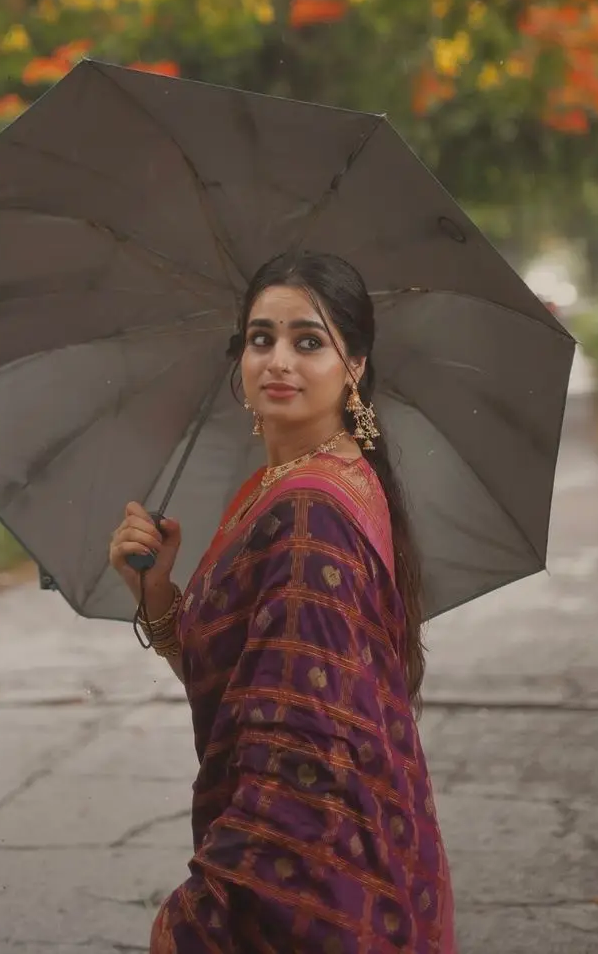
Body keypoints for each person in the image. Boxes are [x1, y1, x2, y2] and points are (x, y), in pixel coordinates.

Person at [108, 250, 456, 953]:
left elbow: (298, 751)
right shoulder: (298, 485)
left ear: (353, 365)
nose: (278, 361)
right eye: (261, 338)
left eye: (308, 341)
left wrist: (204, 910)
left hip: (311, 884)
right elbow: (251, 684)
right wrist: (157, 596)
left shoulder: (307, 512)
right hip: (358, 864)